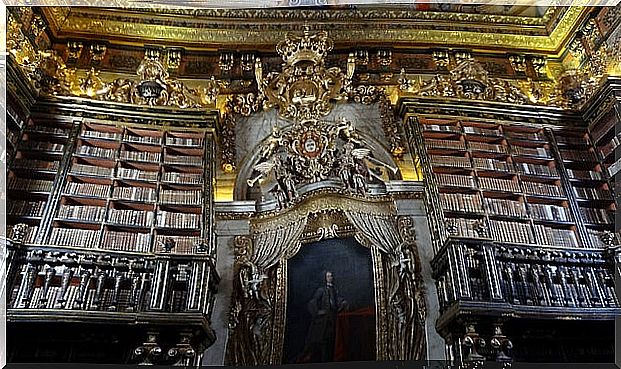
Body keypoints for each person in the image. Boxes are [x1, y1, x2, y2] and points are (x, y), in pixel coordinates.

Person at [300, 271, 348, 362]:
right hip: (323, 320)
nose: (331, 278)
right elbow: (312, 302)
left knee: (331, 340)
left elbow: (336, 300)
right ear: (325, 278)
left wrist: (342, 303)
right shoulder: (321, 290)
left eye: (331, 276)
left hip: (332, 318)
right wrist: (317, 312)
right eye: (328, 276)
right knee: (321, 341)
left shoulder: (334, 289)